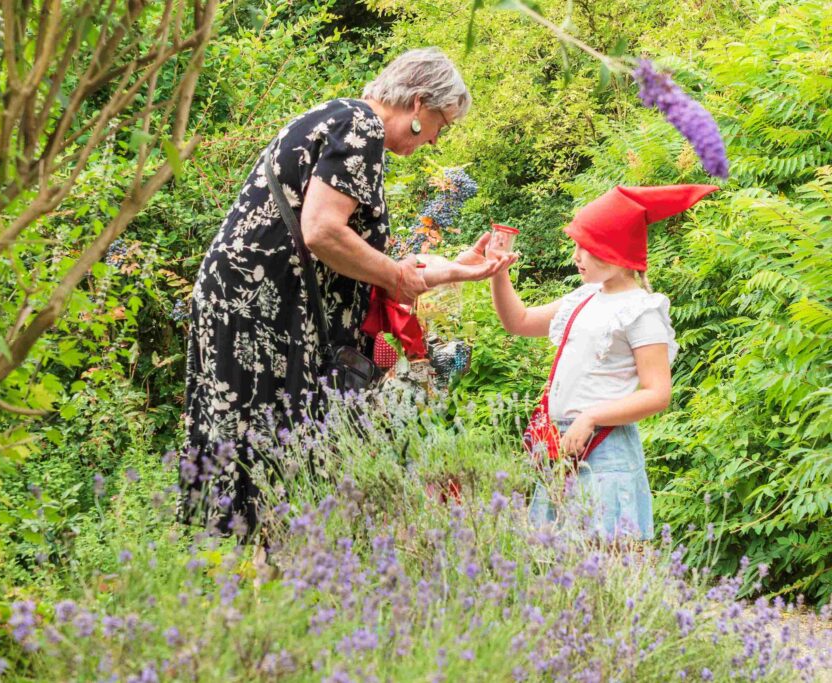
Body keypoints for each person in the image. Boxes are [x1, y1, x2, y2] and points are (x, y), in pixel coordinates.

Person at [182, 48, 512, 535]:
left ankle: (246, 581)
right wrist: (398, 277)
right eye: (443, 123)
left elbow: (361, 256)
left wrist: (455, 270)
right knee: (267, 464)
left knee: (257, 462)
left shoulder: (341, 119)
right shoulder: (361, 126)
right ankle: (247, 584)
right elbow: (322, 231)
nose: (438, 139)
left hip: (260, 313)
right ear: (419, 103)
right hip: (263, 318)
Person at [488, 184, 718, 540]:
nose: (577, 256)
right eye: (578, 245)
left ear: (616, 251)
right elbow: (517, 321)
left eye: (588, 248)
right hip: (560, 446)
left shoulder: (642, 310)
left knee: (602, 566)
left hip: (605, 450)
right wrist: (498, 272)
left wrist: (591, 417)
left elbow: (658, 394)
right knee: (555, 572)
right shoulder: (583, 297)